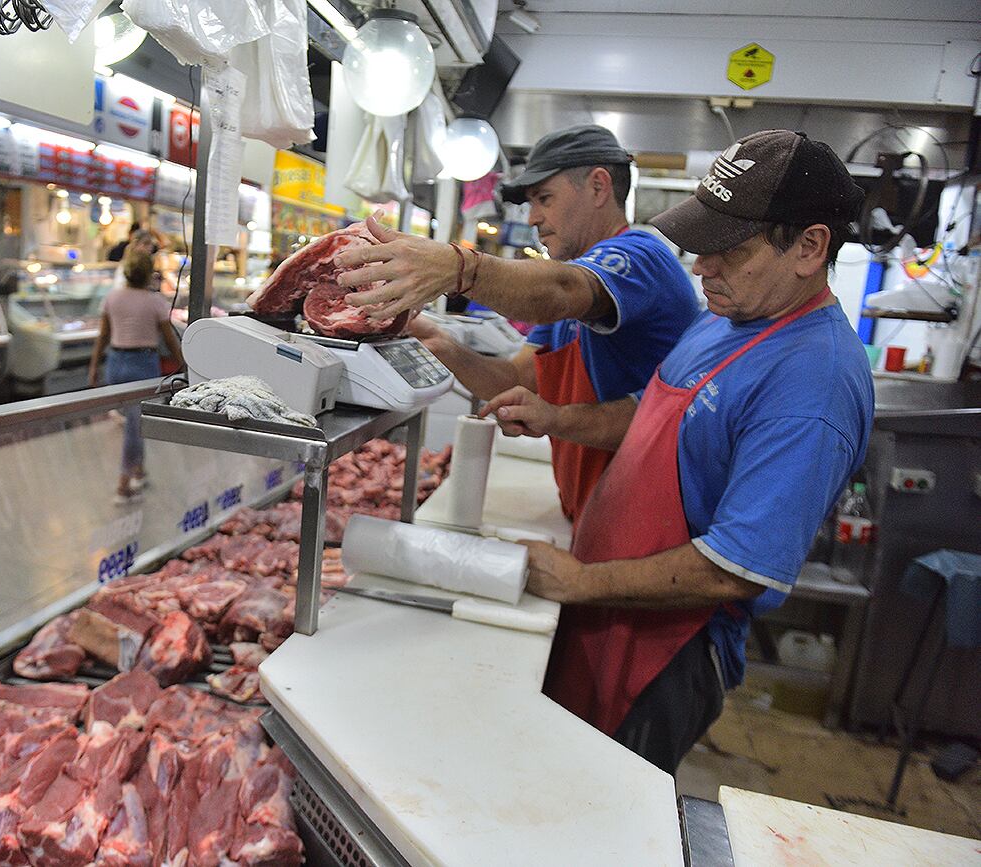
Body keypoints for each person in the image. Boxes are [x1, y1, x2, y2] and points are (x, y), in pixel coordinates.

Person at [477, 130, 873, 772]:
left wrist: (580, 582)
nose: (701, 268)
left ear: (809, 247)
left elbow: (736, 567)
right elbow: (651, 412)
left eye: (729, 250)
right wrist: (558, 418)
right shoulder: (728, 317)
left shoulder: (814, 380)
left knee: (594, 813)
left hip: (667, 649)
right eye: (700, 247)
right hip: (606, 601)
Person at [345, 124, 699, 521]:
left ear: (599, 187)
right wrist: (441, 344)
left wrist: (460, 268)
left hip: (644, 514)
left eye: (544, 198)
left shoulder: (639, 255)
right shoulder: (575, 292)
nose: (533, 217)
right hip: (594, 511)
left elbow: (559, 291)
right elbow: (517, 381)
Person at [89, 250, 184, 501]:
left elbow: (103, 336)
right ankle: (123, 483)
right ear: (147, 273)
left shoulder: (112, 298)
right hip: (142, 365)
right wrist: (183, 364)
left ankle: (139, 471)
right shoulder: (154, 301)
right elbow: (169, 339)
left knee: (132, 422)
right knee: (135, 425)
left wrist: (93, 367)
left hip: (115, 363)